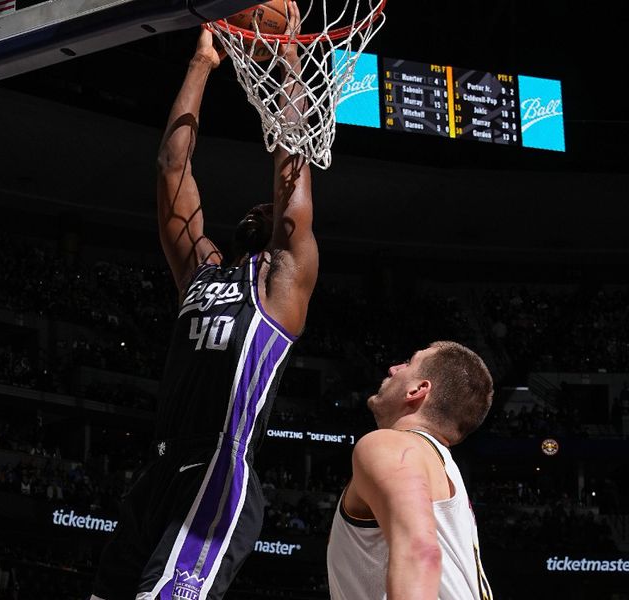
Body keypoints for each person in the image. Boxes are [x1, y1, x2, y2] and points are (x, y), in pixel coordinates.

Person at [92, 4, 317, 599]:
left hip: (219, 469)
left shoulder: (281, 284)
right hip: (160, 468)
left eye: (269, 211)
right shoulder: (204, 270)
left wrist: (290, 59)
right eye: (255, 210)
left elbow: (291, 163)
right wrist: (201, 63)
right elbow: (172, 168)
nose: (260, 208)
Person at [327, 341, 495, 600]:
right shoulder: (445, 472)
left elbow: (419, 553)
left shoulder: (391, 444)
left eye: (408, 363)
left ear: (417, 390)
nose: (394, 368)